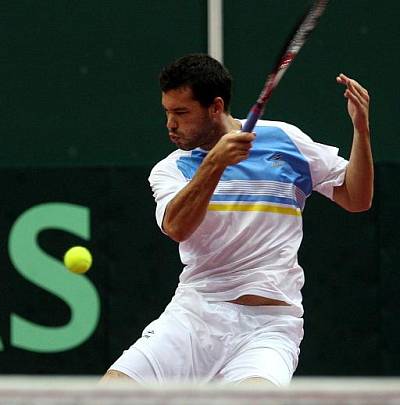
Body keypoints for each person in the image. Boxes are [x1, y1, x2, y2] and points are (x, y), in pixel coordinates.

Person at [102, 54, 372, 385]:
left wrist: (361, 130)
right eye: (167, 112)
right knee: (111, 393)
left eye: (181, 113)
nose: (170, 124)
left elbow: (356, 198)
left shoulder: (284, 141)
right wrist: (215, 163)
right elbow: (177, 227)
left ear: (215, 107)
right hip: (196, 315)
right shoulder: (171, 169)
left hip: (270, 327)